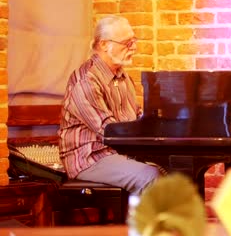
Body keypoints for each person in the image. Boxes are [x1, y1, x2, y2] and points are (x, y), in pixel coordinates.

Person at [58, 15, 159, 195]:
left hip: (117, 152)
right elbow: (110, 131)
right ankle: (143, 224)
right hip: (90, 158)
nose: (134, 47)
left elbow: (135, 117)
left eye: (134, 41)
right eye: (127, 43)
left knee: (174, 170)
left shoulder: (123, 77)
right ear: (104, 44)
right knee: (149, 176)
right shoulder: (86, 81)